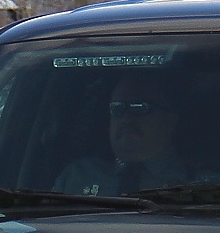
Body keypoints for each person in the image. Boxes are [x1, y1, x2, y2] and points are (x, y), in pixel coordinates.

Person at [55, 74, 188, 196]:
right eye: (118, 108)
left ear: (171, 119)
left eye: (139, 108)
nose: (126, 119)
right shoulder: (76, 178)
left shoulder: (196, 184)